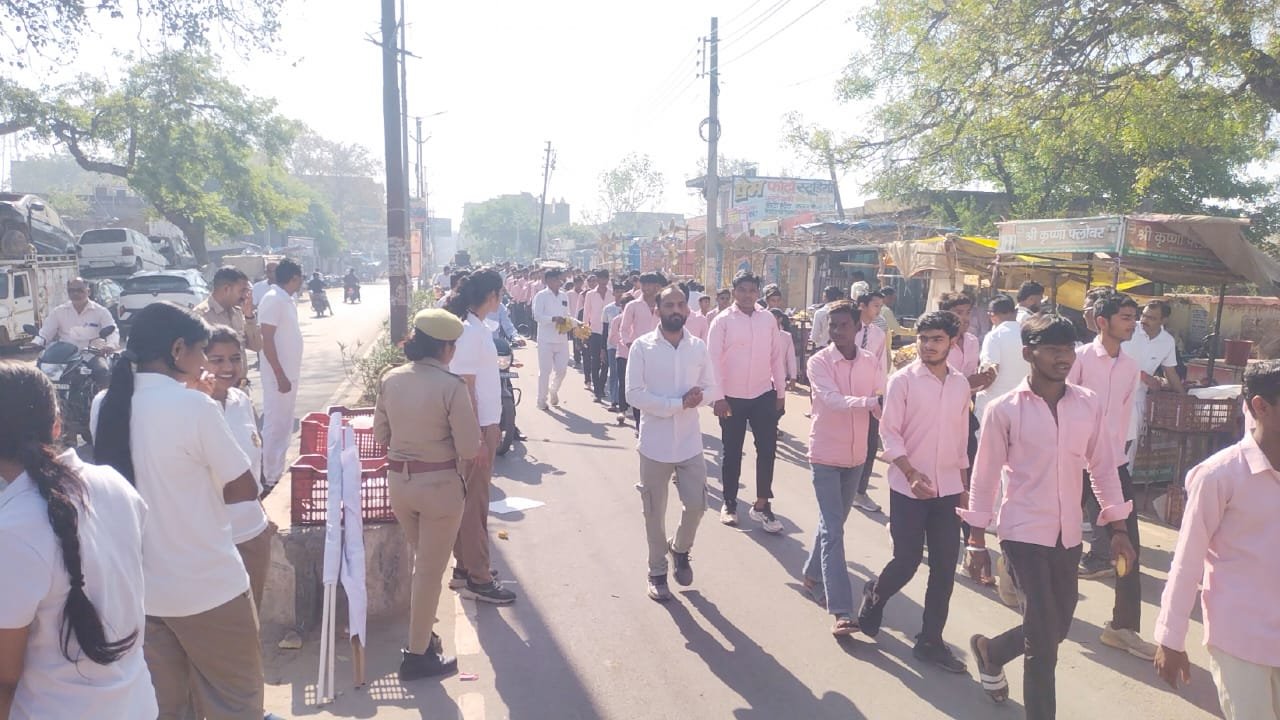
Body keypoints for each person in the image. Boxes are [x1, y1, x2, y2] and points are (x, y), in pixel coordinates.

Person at [92, 301, 267, 719]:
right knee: (235, 704)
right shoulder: (194, 407)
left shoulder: (106, 404)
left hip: (144, 594)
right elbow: (244, 487)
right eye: (202, 350)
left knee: (169, 709)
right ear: (176, 351)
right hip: (209, 587)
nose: (206, 361)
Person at [961, 314, 1136, 718]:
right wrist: (975, 539)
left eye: (1069, 349)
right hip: (1022, 533)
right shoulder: (1004, 410)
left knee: (1056, 628)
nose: (1064, 358)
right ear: (1029, 353)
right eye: (1053, 349)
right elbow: (984, 477)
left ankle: (992, 650)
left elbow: (1104, 468)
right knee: (1042, 642)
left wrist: (1117, 527)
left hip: (1068, 536)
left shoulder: (1087, 404)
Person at [0, 362, 154, 719]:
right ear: (56, 425)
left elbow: (6, 674)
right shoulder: (113, 484)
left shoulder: (13, 531)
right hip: (135, 704)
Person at [1154, 360, 1280, 720]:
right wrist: (1171, 637)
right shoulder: (1220, 476)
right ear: (1261, 407)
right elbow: (1187, 561)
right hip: (1240, 638)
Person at [858, 311, 970, 672]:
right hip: (908, 487)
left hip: (948, 488)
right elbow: (889, 433)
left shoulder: (960, 384)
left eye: (936, 339)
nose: (928, 346)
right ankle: (875, 595)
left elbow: (961, 437)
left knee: (943, 568)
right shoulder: (903, 381)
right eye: (923, 339)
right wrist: (909, 472)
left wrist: (964, 486)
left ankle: (930, 641)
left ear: (952, 342)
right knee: (906, 561)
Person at [373, 309, 481, 681]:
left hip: (400, 486)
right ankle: (417, 655)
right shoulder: (451, 387)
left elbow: (381, 436)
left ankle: (423, 633)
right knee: (430, 572)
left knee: (426, 565)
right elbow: (469, 447)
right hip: (439, 489)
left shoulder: (391, 379)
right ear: (447, 349)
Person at [1068, 295, 1154, 659]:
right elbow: (1061, 402)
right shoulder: (1079, 359)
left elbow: (1120, 416)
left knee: (1128, 546)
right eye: (1125, 317)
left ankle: (1122, 626)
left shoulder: (1131, 366)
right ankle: (1014, 573)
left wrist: (1116, 458)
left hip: (1111, 464)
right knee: (1053, 535)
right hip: (1071, 460)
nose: (1132, 323)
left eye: (1134, 318)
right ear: (1102, 321)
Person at [625, 287, 717, 602]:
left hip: (690, 442)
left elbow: (712, 387)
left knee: (697, 505)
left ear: (687, 310)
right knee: (654, 511)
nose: (676, 309)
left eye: (680, 304)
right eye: (669, 305)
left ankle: (680, 549)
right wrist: (677, 403)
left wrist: (698, 399)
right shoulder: (642, 347)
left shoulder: (698, 347)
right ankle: (656, 571)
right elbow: (633, 394)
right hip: (655, 444)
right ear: (658, 310)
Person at [802, 301, 884, 635]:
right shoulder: (819, 362)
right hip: (824, 454)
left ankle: (810, 574)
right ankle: (841, 609)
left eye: (843, 325)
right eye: (832, 326)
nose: (837, 332)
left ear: (857, 327)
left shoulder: (870, 361)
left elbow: (884, 400)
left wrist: (896, 431)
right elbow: (832, 400)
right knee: (834, 530)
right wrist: (870, 404)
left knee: (832, 523)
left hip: (856, 457)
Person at [445, 270, 516, 605]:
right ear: (493, 296)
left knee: (469, 502)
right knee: (475, 505)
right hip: (478, 427)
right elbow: (466, 387)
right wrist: (475, 439)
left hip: (484, 424)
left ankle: (464, 568)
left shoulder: (474, 326)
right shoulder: (470, 331)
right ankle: (479, 576)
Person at [707, 270, 787, 532]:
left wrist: (781, 393)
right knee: (732, 452)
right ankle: (729, 503)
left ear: (758, 293)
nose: (747, 295)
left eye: (752, 290)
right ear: (734, 291)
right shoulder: (722, 322)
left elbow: (777, 357)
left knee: (767, 450)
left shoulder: (767, 320)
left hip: (763, 393)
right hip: (731, 398)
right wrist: (718, 398)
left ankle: (763, 505)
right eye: (742, 289)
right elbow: (713, 362)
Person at [202, 327, 274, 609]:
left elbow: (252, 469)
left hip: (252, 536)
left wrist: (263, 518)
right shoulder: (191, 408)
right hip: (212, 545)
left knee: (252, 621)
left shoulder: (241, 401)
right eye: (217, 360)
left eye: (235, 358)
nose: (228, 367)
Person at [258, 258, 305, 490]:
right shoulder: (273, 299)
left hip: (288, 373)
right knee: (275, 424)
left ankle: (276, 470)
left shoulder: (286, 299)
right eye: (300, 279)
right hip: (279, 375)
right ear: (294, 278)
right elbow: (266, 341)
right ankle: (269, 475)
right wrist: (279, 374)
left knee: (284, 424)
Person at [1121, 300, 1184, 465]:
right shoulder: (1128, 330)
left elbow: (1170, 372)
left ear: (1163, 321)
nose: (1144, 320)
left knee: (1129, 451)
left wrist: (1183, 396)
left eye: (1151, 318)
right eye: (1143, 315)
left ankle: (1123, 486)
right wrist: (1140, 374)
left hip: (1137, 400)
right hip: (1113, 395)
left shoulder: (1167, 341)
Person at [851, 291, 890, 513]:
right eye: (875, 306)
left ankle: (860, 491)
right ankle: (843, 486)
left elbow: (881, 364)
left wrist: (881, 393)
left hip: (871, 395)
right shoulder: (847, 328)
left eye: (880, 306)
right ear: (862, 305)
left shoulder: (877, 334)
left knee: (870, 444)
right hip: (848, 394)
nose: (878, 311)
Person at [194, 266, 263, 378]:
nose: (246, 296)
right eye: (242, 291)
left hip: (240, 387)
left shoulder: (238, 313)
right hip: (215, 389)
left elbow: (256, 346)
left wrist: (249, 317)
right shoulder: (201, 316)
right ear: (226, 289)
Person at [618, 272, 666, 426]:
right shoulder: (632, 305)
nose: (645, 287)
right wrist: (629, 344)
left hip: (661, 352)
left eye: (649, 284)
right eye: (643, 284)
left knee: (658, 388)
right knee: (640, 388)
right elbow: (624, 329)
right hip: (639, 352)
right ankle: (640, 425)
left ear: (657, 286)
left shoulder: (664, 305)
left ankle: (657, 421)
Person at [975, 294, 1027, 421]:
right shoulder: (1028, 335)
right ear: (1015, 312)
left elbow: (989, 370)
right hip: (1023, 404)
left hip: (994, 402)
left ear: (991, 316)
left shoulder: (994, 336)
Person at [33, 277, 120, 352]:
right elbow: (45, 333)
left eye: (80, 290)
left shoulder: (101, 311)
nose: (75, 294)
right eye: (71, 291)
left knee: (101, 369)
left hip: (92, 355)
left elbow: (112, 331)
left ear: (88, 292)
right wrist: (35, 343)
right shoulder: (58, 312)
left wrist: (110, 345)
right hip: (65, 357)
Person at [532, 268, 572, 410]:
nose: (558, 282)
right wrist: (553, 319)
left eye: (559, 279)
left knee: (562, 370)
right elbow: (537, 316)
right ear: (548, 280)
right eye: (555, 279)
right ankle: (541, 400)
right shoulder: (541, 296)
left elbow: (568, 314)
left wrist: (577, 325)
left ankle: (553, 389)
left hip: (561, 339)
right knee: (545, 371)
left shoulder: (563, 296)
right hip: (545, 339)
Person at [583, 269, 611, 401]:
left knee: (606, 362)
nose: (603, 281)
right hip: (594, 331)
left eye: (605, 278)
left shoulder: (612, 293)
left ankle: (601, 385)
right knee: (595, 361)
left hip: (609, 332)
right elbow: (586, 313)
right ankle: (597, 391)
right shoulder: (590, 295)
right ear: (598, 279)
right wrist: (584, 331)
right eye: (600, 278)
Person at [605, 286, 631, 412]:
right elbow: (611, 336)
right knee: (616, 376)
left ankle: (629, 403)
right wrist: (622, 343)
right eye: (624, 306)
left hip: (634, 353)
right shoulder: (616, 318)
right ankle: (616, 402)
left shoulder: (637, 318)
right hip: (617, 350)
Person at [769, 308, 798, 390]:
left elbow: (791, 358)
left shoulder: (786, 337)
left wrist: (793, 376)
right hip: (763, 378)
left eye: (773, 318)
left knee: (779, 400)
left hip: (780, 376)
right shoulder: (761, 335)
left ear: (780, 319)